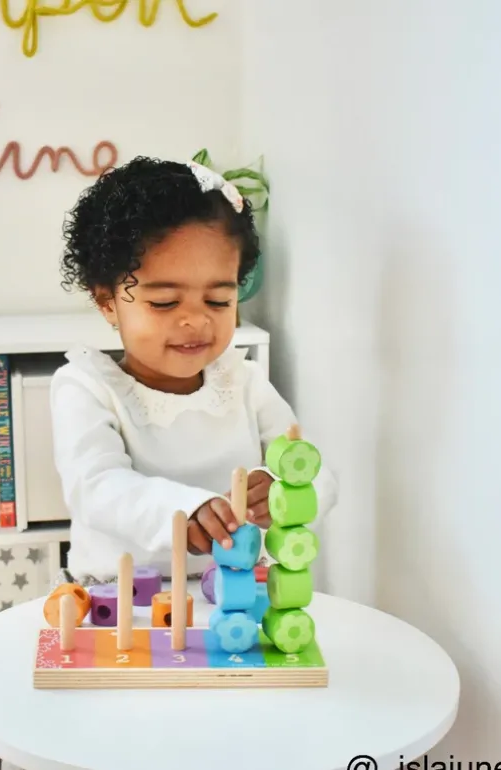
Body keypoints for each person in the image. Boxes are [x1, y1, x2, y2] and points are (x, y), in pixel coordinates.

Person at [48, 155, 338, 585]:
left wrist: (284, 491)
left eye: (218, 301)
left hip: (234, 598)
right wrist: (186, 510)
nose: (196, 321)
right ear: (107, 301)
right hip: (122, 602)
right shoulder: (87, 388)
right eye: (165, 302)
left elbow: (320, 479)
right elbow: (97, 488)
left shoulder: (244, 382)